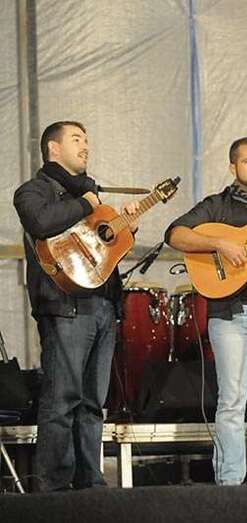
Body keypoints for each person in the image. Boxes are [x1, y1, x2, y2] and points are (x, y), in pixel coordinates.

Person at [14, 121, 138, 491]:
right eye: (76, 139)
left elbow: (101, 251)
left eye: (87, 139)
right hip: (65, 307)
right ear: (53, 148)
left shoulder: (92, 196)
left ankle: (90, 483)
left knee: (92, 403)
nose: (86, 146)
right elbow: (40, 222)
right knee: (62, 399)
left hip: (102, 307)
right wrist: (86, 203)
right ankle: (54, 489)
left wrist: (126, 228)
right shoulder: (34, 191)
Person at [165, 137, 247, 485]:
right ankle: (230, 482)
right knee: (232, 401)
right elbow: (175, 234)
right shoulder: (217, 206)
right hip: (230, 315)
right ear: (233, 167)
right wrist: (219, 243)